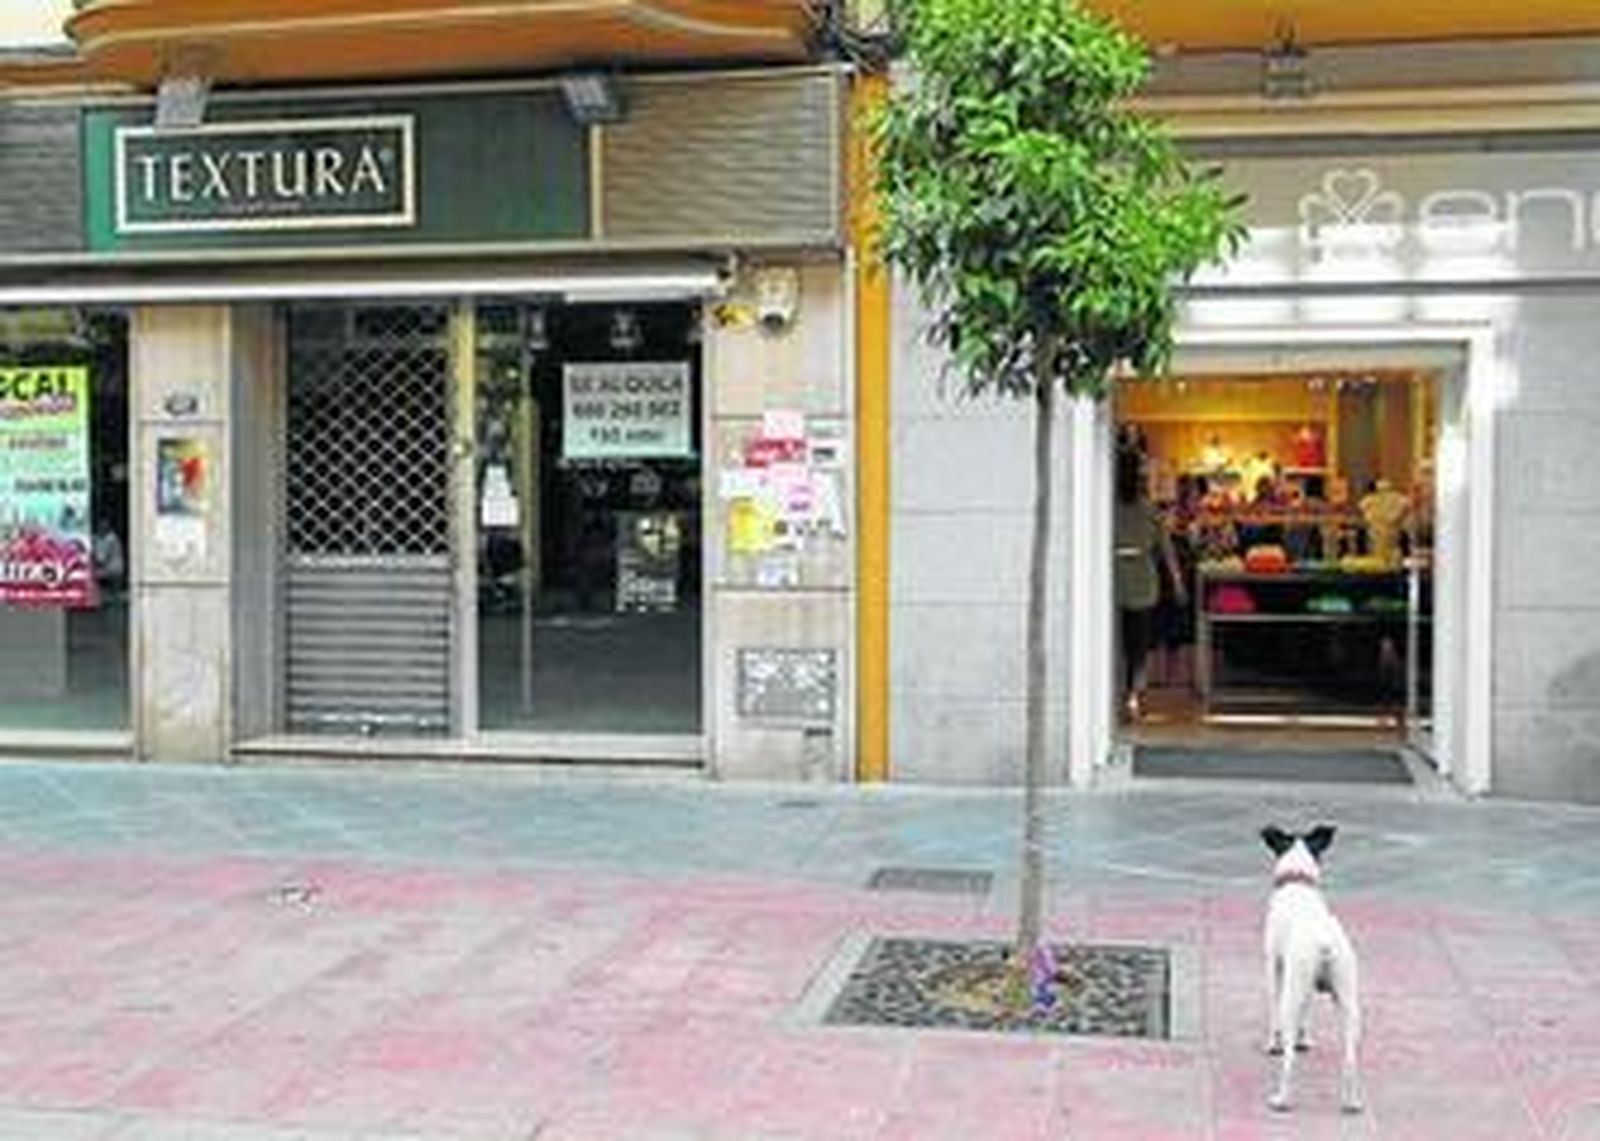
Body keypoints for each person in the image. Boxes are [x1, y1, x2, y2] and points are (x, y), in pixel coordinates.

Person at [1115, 447, 1185, 722]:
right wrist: (1177, 582)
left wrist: (1177, 581)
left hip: (1127, 577)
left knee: (1129, 641)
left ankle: (1130, 693)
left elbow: (1165, 547)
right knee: (1137, 642)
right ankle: (1132, 694)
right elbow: (1166, 548)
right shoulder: (1145, 508)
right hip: (1138, 578)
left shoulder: (1115, 505)